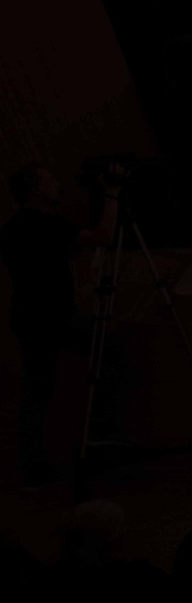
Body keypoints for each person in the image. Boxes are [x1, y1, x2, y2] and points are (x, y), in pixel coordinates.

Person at [4, 162, 118, 485]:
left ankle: (32, 461)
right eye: (50, 180)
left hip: (27, 316)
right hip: (53, 317)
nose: (57, 184)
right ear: (35, 188)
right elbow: (104, 236)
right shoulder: (45, 223)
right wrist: (111, 194)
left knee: (36, 389)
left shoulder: (12, 227)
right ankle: (99, 438)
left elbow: (56, 254)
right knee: (109, 354)